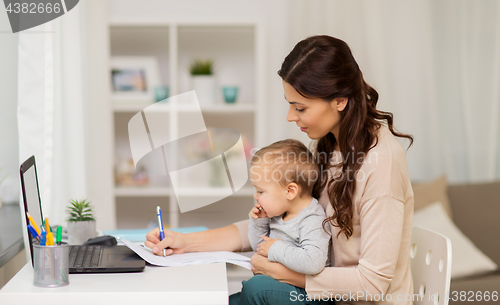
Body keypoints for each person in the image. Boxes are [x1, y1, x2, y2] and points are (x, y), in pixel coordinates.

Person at [145, 35, 414, 305]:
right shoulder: (329, 145)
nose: (290, 116)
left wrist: (283, 273)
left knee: (258, 289)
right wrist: (185, 242)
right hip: (326, 296)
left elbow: (372, 285)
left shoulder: (382, 165)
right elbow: (278, 220)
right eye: (290, 104)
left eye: (300, 107)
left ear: (340, 100)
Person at [247, 139, 331, 276]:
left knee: (253, 289)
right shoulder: (280, 213)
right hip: (277, 283)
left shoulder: (311, 219)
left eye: (260, 191)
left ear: (290, 191)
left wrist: (275, 248)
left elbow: (313, 262)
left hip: (300, 293)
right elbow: (259, 247)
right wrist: (259, 223)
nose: (256, 197)